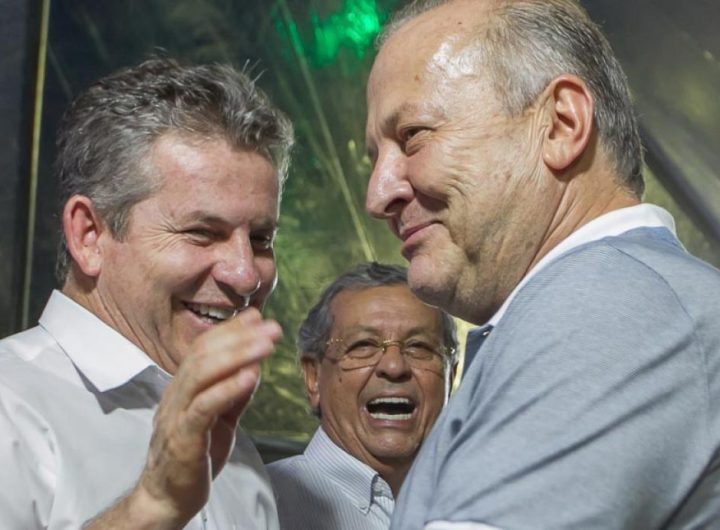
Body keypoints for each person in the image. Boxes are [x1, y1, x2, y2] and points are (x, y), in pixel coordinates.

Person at [364, 1, 720, 529]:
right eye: (374, 157)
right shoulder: (607, 303)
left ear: (561, 125)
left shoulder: (605, 308)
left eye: (413, 135)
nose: (377, 195)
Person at [0, 57, 293, 529]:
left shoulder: (235, 451)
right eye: (202, 232)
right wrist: (152, 506)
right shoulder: (9, 408)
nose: (245, 275)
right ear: (89, 235)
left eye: (261, 239)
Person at [267, 262, 458, 530]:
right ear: (313, 377)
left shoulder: (482, 505)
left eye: (419, 346)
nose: (394, 366)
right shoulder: (260, 506)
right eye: (363, 345)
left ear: (451, 376)